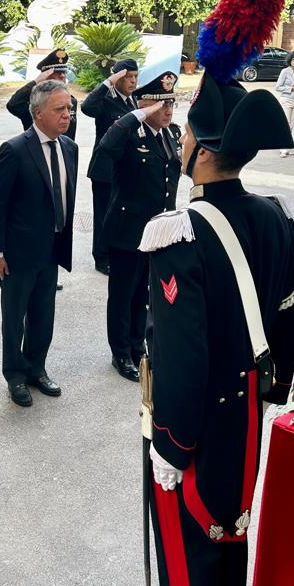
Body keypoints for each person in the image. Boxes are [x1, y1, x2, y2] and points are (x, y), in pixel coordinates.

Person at [139, 0, 294, 586]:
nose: (178, 142)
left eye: (185, 134)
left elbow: (184, 354)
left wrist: (172, 445)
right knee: (230, 539)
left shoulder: (179, 232)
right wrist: (273, 383)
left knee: (190, 554)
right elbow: (290, 307)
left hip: (200, 425)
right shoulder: (275, 217)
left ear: (203, 150)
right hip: (247, 415)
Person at [0, 79, 78, 408]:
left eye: (69, 108)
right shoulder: (14, 150)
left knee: (43, 315)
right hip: (18, 252)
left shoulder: (69, 147)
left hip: (52, 248)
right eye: (60, 109)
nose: (67, 115)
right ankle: (15, 374)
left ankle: (36, 368)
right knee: (15, 318)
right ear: (38, 113)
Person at [91, 72, 181, 382]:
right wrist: (136, 115)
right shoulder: (129, 133)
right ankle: (120, 352)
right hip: (128, 230)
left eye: (171, 104)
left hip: (158, 232)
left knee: (145, 293)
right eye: (160, 105)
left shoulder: (170, 135)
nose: (167, 111)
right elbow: (105, 148)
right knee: (123, 294)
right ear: (144, 106)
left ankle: (137, 344)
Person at [81, 59, 138, 275]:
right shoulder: (105, 100)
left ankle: (116, 250)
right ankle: (102, 256)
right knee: (103, 213)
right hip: (105, 169)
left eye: (135, 76)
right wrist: (109, 81)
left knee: (121, 212)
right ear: (117, 79)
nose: (132, 81)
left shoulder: (132, 100)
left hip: (125, 167)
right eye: (127, 77)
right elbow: (87, 107)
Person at [6, 49, 78, 139]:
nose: (62, 76)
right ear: (45, 76)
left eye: (64, 72)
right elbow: (12, 105)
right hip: (36, 149)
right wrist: (35, 81)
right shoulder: (35, 101)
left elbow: (70, 135)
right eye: (57, 72)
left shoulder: (71, 101)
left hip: (63, 150)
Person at [273, 50, 294, 157]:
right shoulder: (285, 71)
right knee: (286, 124)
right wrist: (291, 88)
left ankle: (286, 146)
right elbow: (278, 87)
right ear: (290, 60)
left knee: (291, 124)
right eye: (293, 59)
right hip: (286, 100)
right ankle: (283, 148)